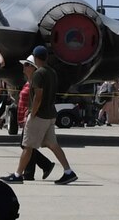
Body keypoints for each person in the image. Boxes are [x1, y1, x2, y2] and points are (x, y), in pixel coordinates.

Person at [5, 47, 77, 185]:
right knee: (53, 144)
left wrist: (33, 113)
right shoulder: (52, 72)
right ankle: (68, 171)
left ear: (35, 58)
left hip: (40, 115)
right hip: (50, 114)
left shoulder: (39, 74)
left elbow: (38, 97)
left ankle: (17, 174)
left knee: (27, 146)